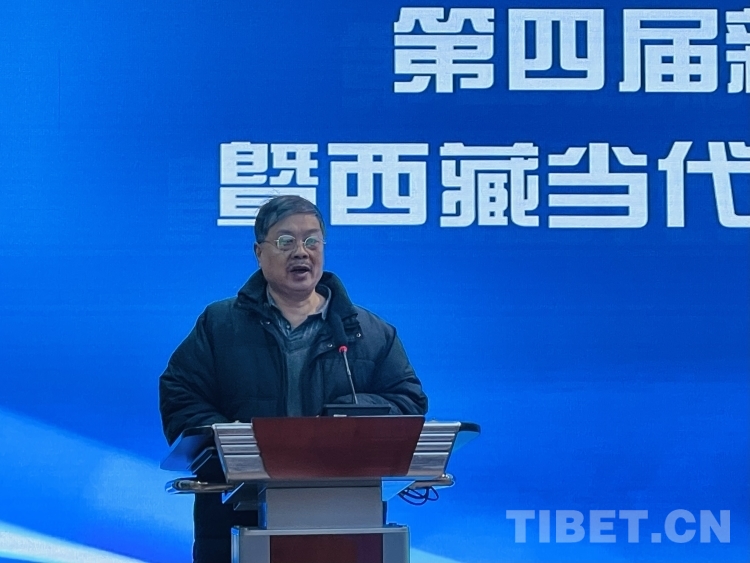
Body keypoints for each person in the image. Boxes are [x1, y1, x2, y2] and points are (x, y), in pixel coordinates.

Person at [159, 195, 428, 563]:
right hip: (235, 518)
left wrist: (345, 419)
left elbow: (409, 403)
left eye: (311, 240)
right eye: (285, 241)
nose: (301, 252)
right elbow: (180, 393)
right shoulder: (220, 325)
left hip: (345, 524)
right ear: (259, 252)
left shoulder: (369, 332)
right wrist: (235, 444)